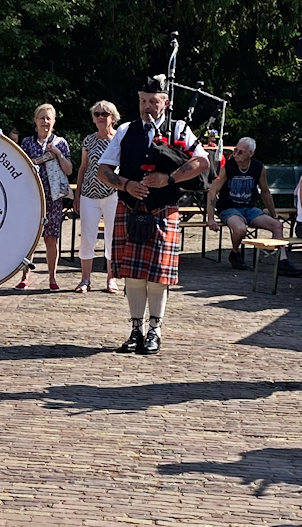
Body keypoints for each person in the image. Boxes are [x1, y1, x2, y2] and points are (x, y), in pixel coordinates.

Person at [98, 74, 210, 354]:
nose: (147, 107)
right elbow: (103, 170)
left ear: (165, 102)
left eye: (153, 102)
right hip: (130, 208)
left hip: (163, 209)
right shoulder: (125, 130)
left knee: (158, 276)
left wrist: (169, 178)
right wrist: (126, 184)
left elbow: (202, 161)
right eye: (143, 101)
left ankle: (155, 331)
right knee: (134, 275)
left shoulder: (179, 129)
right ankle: (135, 330)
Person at [207, 137, 302, 275]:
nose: (236, 154)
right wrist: (211, 217)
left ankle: (282, 262)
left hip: (249, 208)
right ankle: (235, 253)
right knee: (240, 229)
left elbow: (265, 192)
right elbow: (213, 191)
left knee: (277, 225)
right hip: (229, 208)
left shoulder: (258, 167)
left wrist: (273, 214)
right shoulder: (228, 167)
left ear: (250, 153)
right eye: (235, 151)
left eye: (241, 152)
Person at [16, 103, 72, 291]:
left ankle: (52, 278)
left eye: (49, 118)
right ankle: (24, 277)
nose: (45, 122)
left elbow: (69, 170)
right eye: (42, 118)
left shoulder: (60, 143)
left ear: (54, 121)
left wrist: (57, 154)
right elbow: (20, 169)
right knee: (29, 238)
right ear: (35, 120)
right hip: (32, 197)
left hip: (53, 197)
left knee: (51, 238)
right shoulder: (27, 143)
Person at [73, 100, 121, 293]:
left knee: (112, 237)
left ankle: (111, 279)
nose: (101, 117)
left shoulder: (120, 139)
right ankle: (85, 279)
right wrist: (77, 194)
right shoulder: (89, 140)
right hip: (89, 195)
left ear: (113, 117)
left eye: (105, 114)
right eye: (97, 114)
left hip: (113, 194)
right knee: (87, 236)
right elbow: (83, 168)